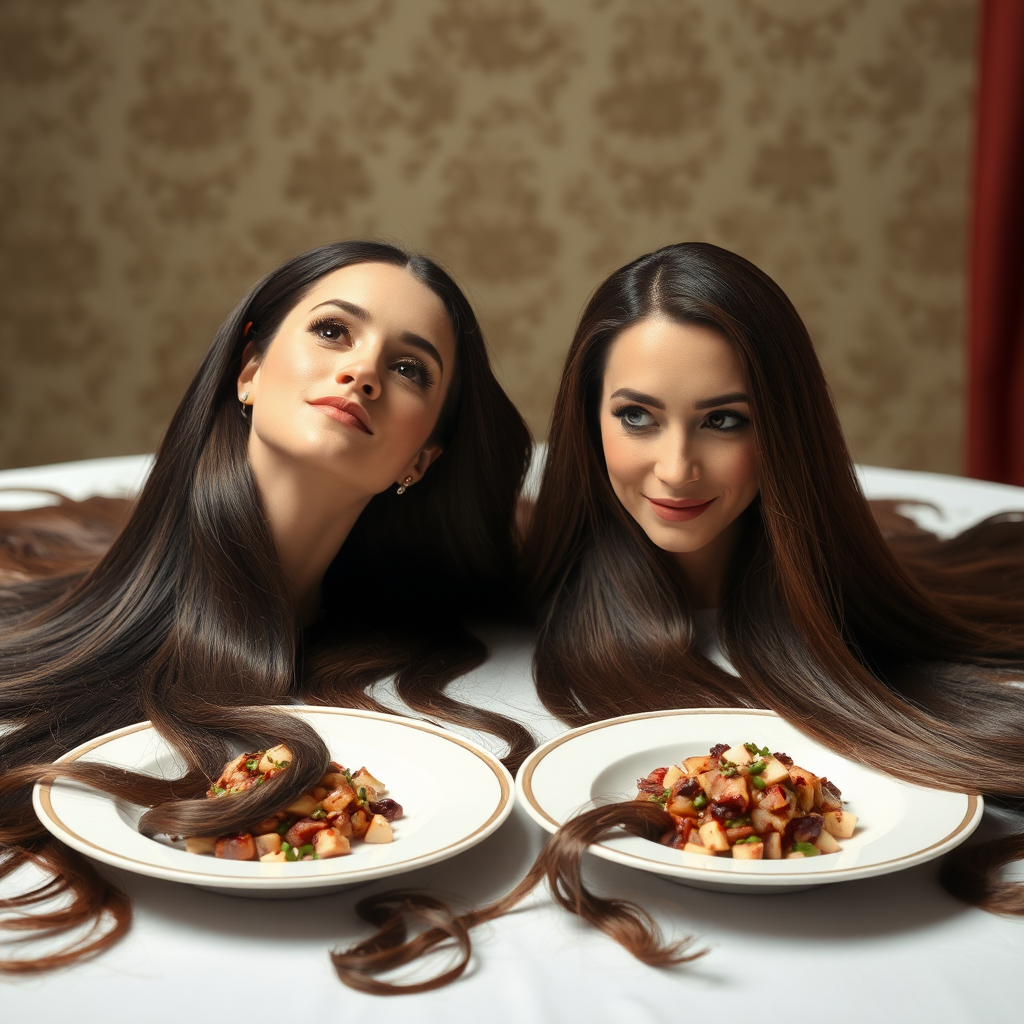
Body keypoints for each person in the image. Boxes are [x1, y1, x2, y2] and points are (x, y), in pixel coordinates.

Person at [332, 241, 1024, 994]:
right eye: (637, 417)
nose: (676, 467)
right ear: (588, 419)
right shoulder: (488, 586)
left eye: (723, 421)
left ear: (783, 432)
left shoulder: (849, 621)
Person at [0, 240, 533, 971]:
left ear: (422, 459)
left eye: (409, 369)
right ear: (248, 370)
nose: (363, 371)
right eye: (333, 331)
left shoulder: (408, 626)